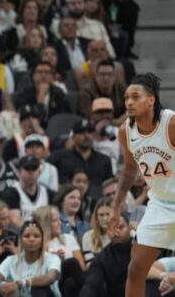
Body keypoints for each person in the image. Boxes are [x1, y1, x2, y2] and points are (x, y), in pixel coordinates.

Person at [107, 73, 175, 297]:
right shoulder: (125, 131)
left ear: (151, 100)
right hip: (160, 204)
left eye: (135, 97)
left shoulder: (171, 124)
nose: (129, 102)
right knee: (136, 269)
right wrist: (116, 209)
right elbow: (128, 171)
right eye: (127, 97)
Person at [0, 221, 62, 297]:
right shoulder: (11, 260)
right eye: (27, 236)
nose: (32, 239)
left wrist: (22, 283)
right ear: (20, 240)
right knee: (3, 288)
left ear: (42, 240)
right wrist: (2, 285)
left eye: (36, 236)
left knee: (38, 288)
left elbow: (50, 278)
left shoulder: (52, 258)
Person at [48, 119, 114, 198]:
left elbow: (109, 186)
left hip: (96, 203)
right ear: (73, 137)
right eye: (81, 132)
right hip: (66, 201)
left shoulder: (104, 160)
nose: (86, 136)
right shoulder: (59, 157)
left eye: (90, 132)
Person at [79, 213, 139, 297]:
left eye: (121, 227)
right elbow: (90, 286)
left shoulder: (142, 248)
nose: (116, 232)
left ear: (130, 228)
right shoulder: (102, 258)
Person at [34, 206, 87, 295]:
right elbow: (35, 272)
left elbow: (82, 268)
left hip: (68, 285)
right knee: (71, 263)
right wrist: (53, 259)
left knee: (70, 283)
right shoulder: (36, 243)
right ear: (45, 224)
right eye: (55, 221)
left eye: (59, 219)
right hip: (49, 284)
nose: (60, 223)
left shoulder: (69, 238)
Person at [2, 156, 55, 227]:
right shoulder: (12, 192)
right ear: (19, 172)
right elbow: (14, 221)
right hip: (20, 234)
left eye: (34, 169)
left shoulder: (48, 193)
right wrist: (33, 232)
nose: (31, 173)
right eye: (27, 169)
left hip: (44, 233)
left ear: (39, 172)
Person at [81, 196, 113, 265]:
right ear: (96, 217)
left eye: (108, 214)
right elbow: (89, 265)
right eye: (101, 215)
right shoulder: (87, 236)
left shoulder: (123, 235)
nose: (105, 219)